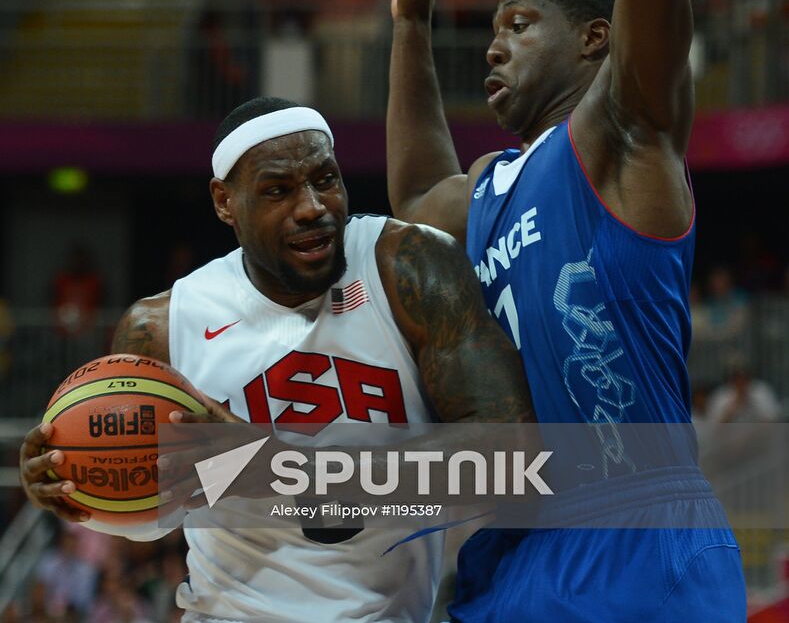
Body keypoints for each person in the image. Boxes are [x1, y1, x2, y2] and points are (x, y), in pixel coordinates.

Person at [387, 0, 746, 621]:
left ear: (595, 39)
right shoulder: (491, 185)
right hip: (520, 555)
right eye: (491, 29)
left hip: (640, 545)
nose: (494, 44)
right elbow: (417, 199)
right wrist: (409, 26)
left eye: (517, 23)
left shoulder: (622, 132)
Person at [20, 96, 533, 623]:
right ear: (225, 202)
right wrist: (74, 490)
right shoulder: (163, 327)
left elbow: (512, 459)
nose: (312, 206)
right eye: (277, 190)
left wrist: (267, 465)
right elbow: (152, 514)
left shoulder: (406, 266)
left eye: (325, 180)